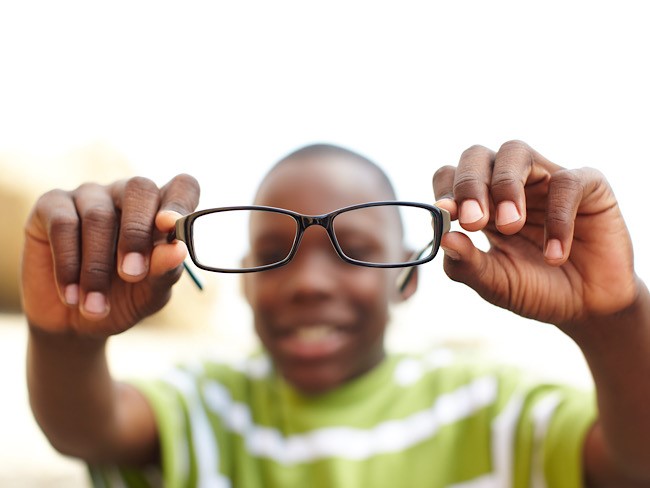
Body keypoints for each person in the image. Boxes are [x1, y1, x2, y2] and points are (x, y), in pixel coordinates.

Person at [22, 141, 650, 487]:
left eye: (355, 251)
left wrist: (614, 319)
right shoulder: (206, 407)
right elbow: (86, 429)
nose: (309, 284)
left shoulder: (493, 408)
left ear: (407, 277)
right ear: (241, 285)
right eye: (272, 255)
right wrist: (65, 339)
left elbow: (634, 463)